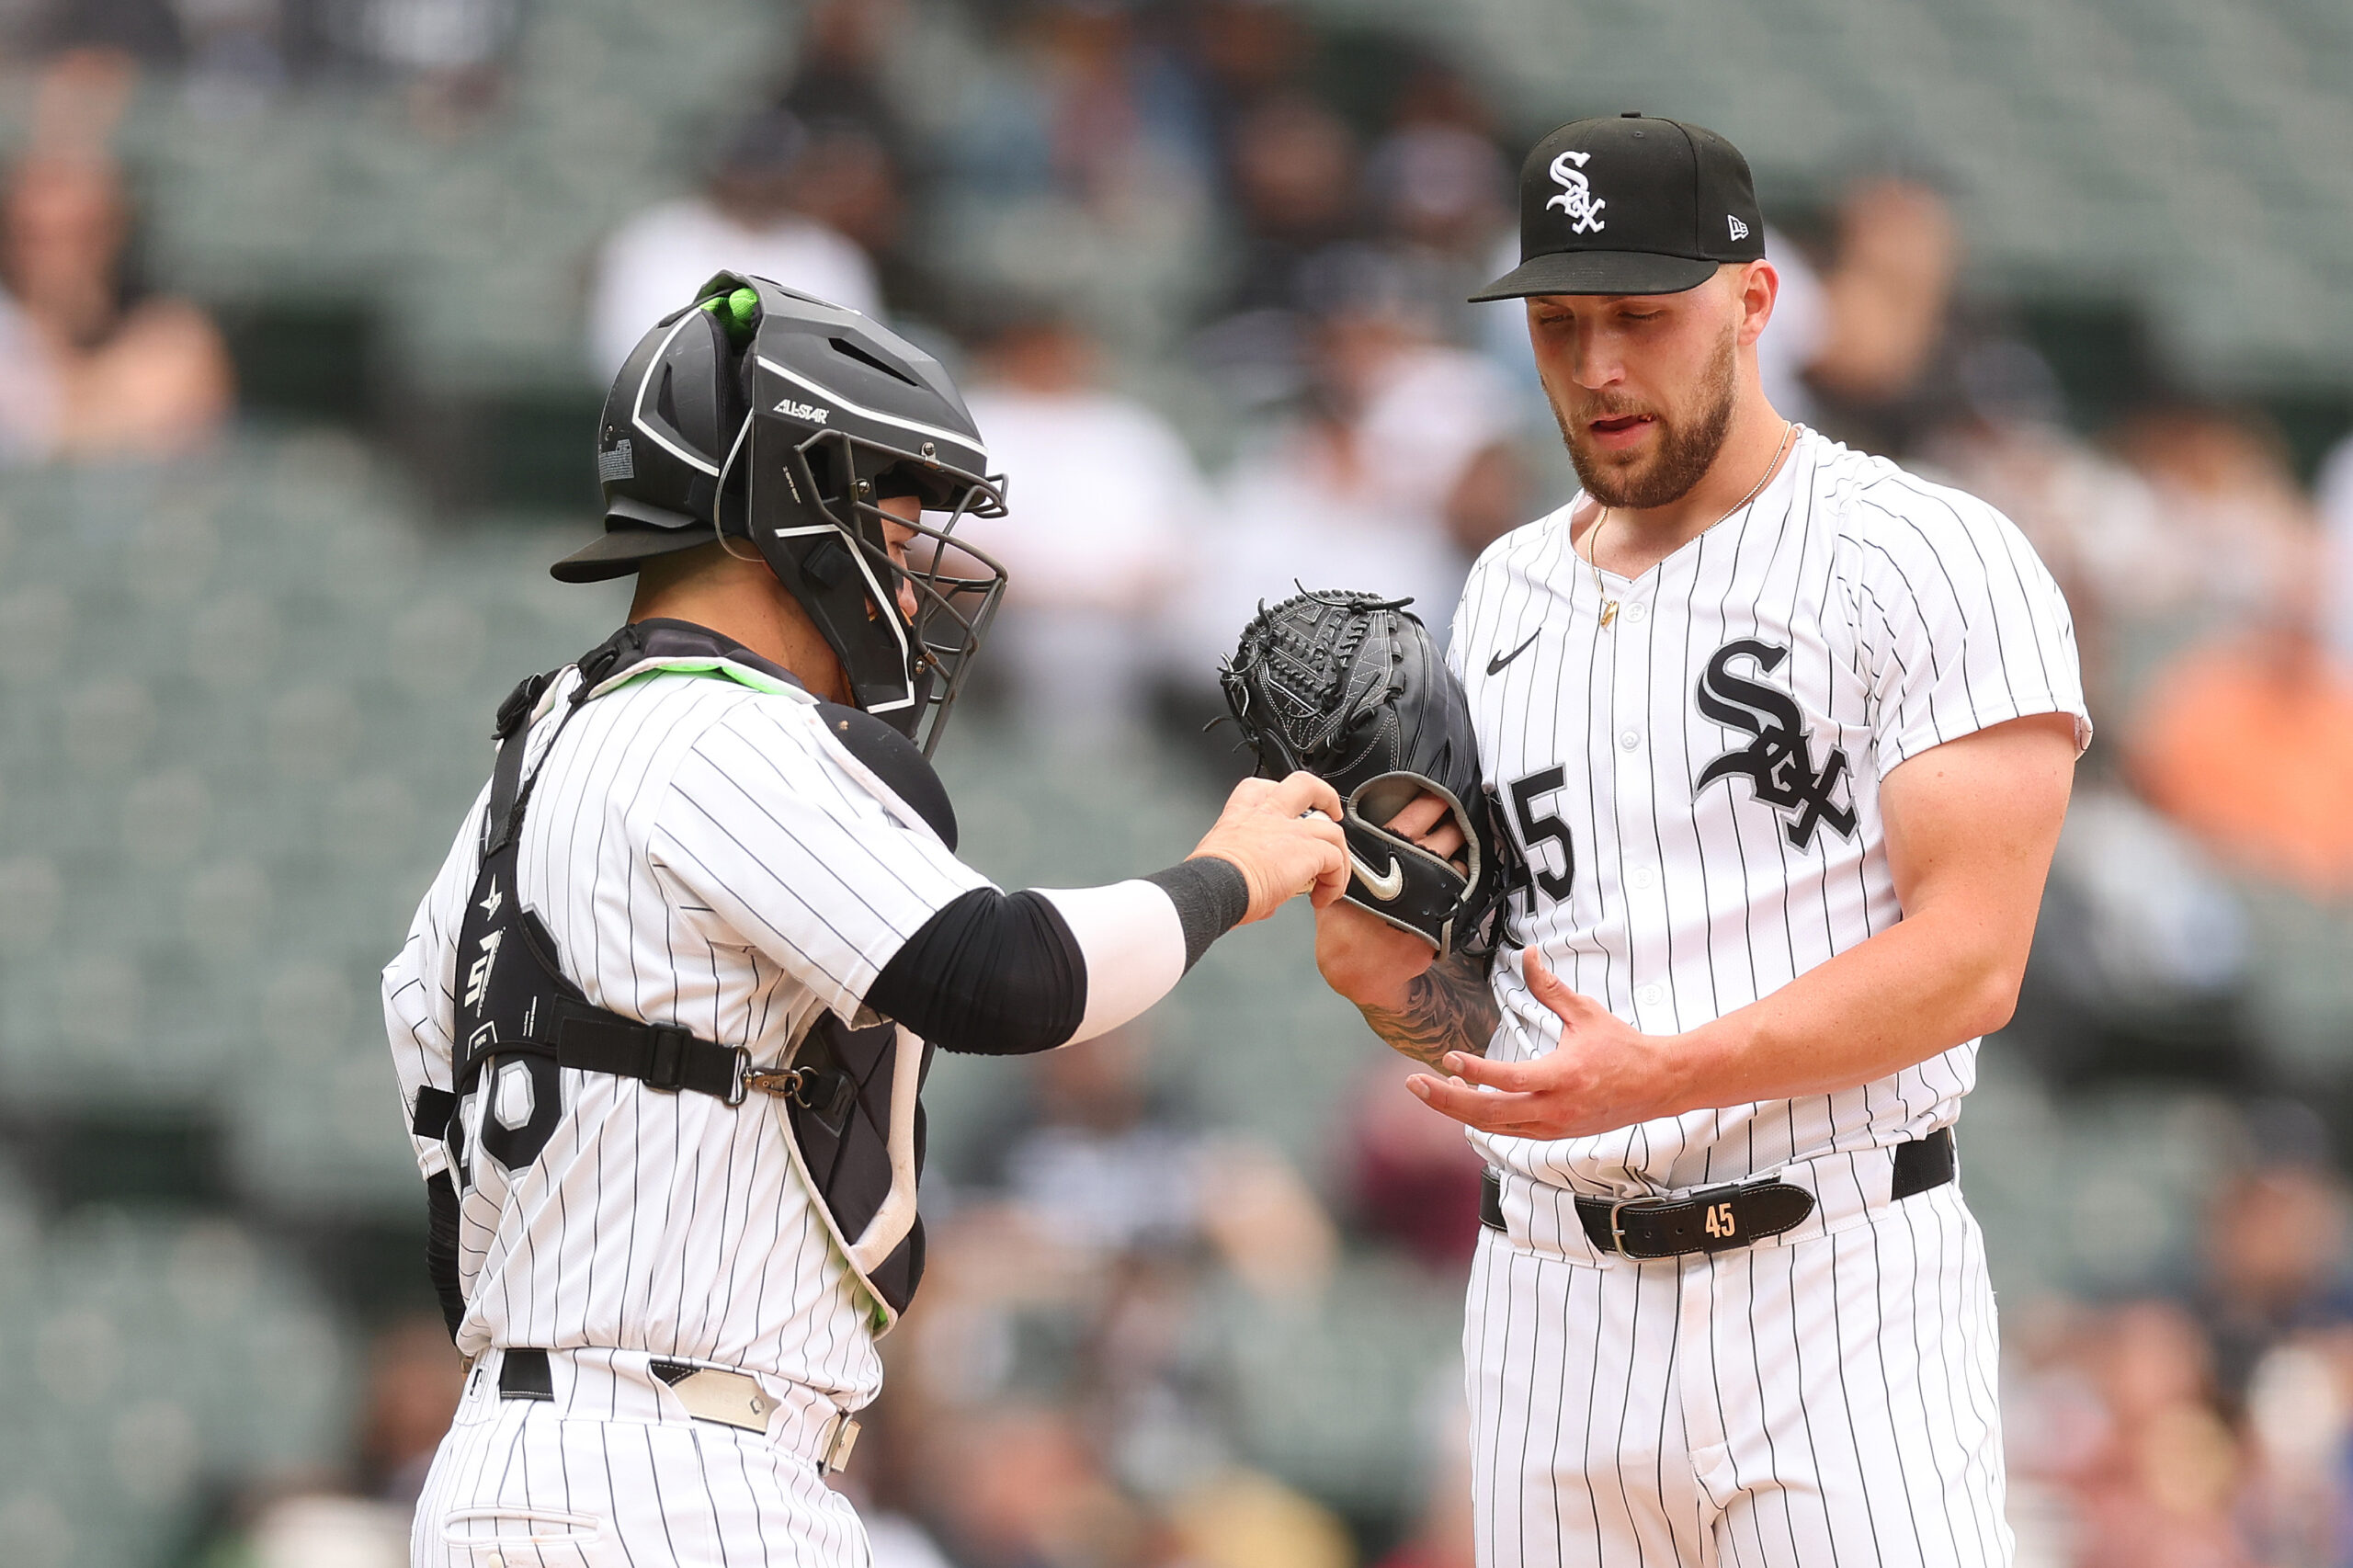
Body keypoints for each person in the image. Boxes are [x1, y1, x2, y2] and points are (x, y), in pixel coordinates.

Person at [382, 275, 1348, 1564]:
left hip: (535, 1460)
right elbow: (1002, 974)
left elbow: (450, 1192)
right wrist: (1228, 874)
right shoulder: (712, 728)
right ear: (790, 508)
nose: (909, 572)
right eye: (890, 525)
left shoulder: (519, 785)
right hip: (670, 1478)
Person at [1313, 115, 2090, 1567]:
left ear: (1752, 301)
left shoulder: (1918, 554)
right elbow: (1510, 1014)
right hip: (1553, 1302)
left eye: (1641, 314)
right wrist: (1384, 982)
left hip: (1836, 1281)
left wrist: (1667, 1073)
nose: (1598, 366)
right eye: (1559, 321)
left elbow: (1972, 960)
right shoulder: (1497, 596)